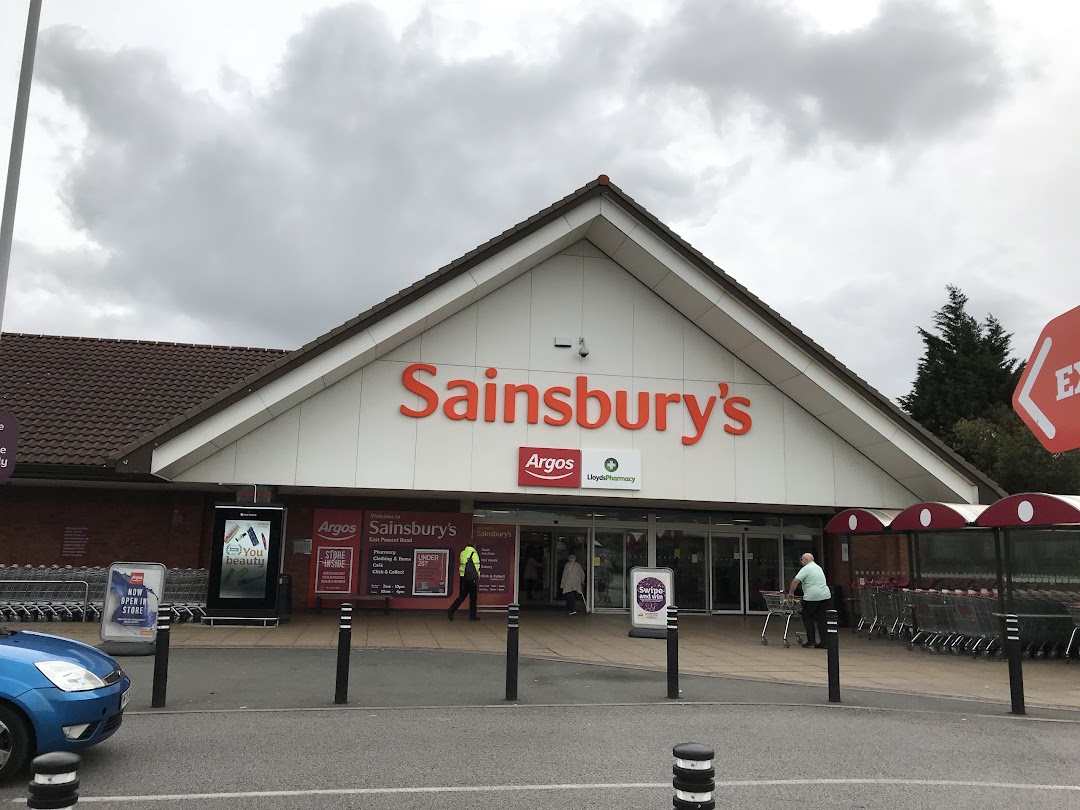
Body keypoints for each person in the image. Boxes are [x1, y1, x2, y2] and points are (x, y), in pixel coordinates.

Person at [788, 552, 831, 648]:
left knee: (807, 617)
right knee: (822, 619)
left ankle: (811, 640)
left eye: (802, 560)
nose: (801, 562)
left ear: (806, 560)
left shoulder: (806, 568)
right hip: (825, 596)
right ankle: (824, 642)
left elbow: (796, 581)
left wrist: (791, 592)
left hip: (812, 596)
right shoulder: (818, 567)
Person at [447, 542, 481, 621]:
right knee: (473, 597)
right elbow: (477, 565)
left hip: (463, 578)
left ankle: (451, 610)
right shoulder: (474, 553)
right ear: (474, 545)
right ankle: (472, 616)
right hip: (471, 578)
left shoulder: (463, 553)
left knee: (462, 596)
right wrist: (478, 575)